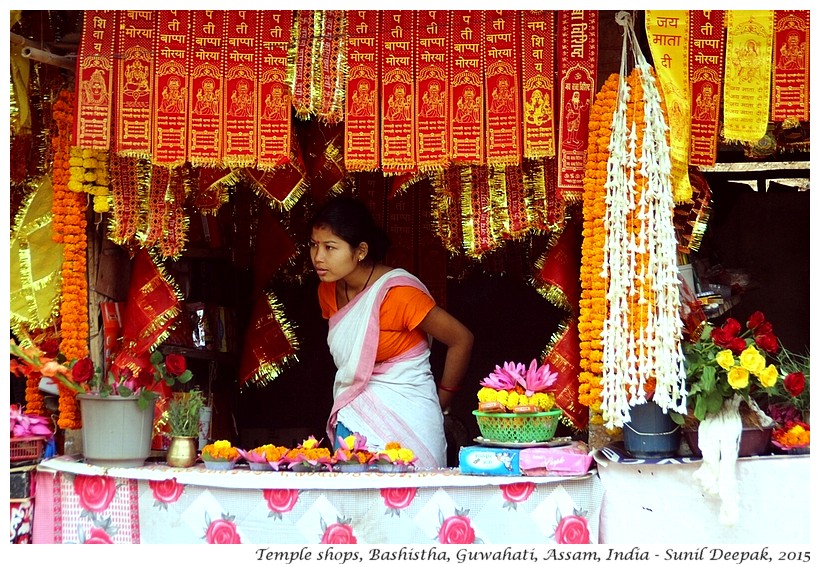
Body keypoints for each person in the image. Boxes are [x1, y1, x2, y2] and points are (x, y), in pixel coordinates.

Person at [308, 196, 474, 469]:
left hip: (410, 415)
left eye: (330, 247)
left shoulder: (398, 294)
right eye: (314, 245)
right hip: (354, 415)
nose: (318, 257)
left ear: (360, 251)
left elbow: (461, 339)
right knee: (355, 505)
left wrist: (441, 401)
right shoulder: (327, 291)